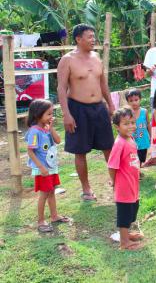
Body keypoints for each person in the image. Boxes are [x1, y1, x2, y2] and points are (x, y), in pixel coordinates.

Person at [57, 23, 115, 201]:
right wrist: (66, 114)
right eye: (89, 37)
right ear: (78, 39)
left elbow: (103, 83)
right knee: (80, 151)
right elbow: (61, 87)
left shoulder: (97, 57)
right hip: (78, 109)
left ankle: (116, 182)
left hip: (99, 108)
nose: (93, 40)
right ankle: (86, 189)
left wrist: (111, 105)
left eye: (94, 36)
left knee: (109, 147)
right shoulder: (67, 60)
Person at [25, 99, 72, 233]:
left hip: (51, 167)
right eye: (49, 114)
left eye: (52, 114)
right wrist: (41, 167)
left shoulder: (46, 129)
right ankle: (40, 221)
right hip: (43, 169)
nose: (52, 117)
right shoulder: (34, 131)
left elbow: (57, 140)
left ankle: (54, 215)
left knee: (51, 191)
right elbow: (30, 151)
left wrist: (51, 128)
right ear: (38, 114)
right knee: (44, 194)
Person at [107, 107, 144, 250]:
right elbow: (112, 166)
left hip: (132, 182)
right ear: (117, 127)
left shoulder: (130, 138)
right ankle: (124, 242)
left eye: (132, 122)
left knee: (133, 208)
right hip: (124, 185)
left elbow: (131, 158)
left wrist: (137, 170)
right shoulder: (119, 144)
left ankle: (126, 234)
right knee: (124, 213)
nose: (131, 126)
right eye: (126, 124)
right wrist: (115, 182)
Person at [125, 88, 151, 178]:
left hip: (143, 139)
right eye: (131, 101)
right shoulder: (126, 113)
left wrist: (151, 135)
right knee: (133, 157)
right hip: (132, 140)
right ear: (128, 102)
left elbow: (148, 124)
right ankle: (136, 172)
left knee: (142, 157)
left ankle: (138, 169)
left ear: (140, 99)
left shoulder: (145, 111)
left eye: (136, 100)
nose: (134, 102)